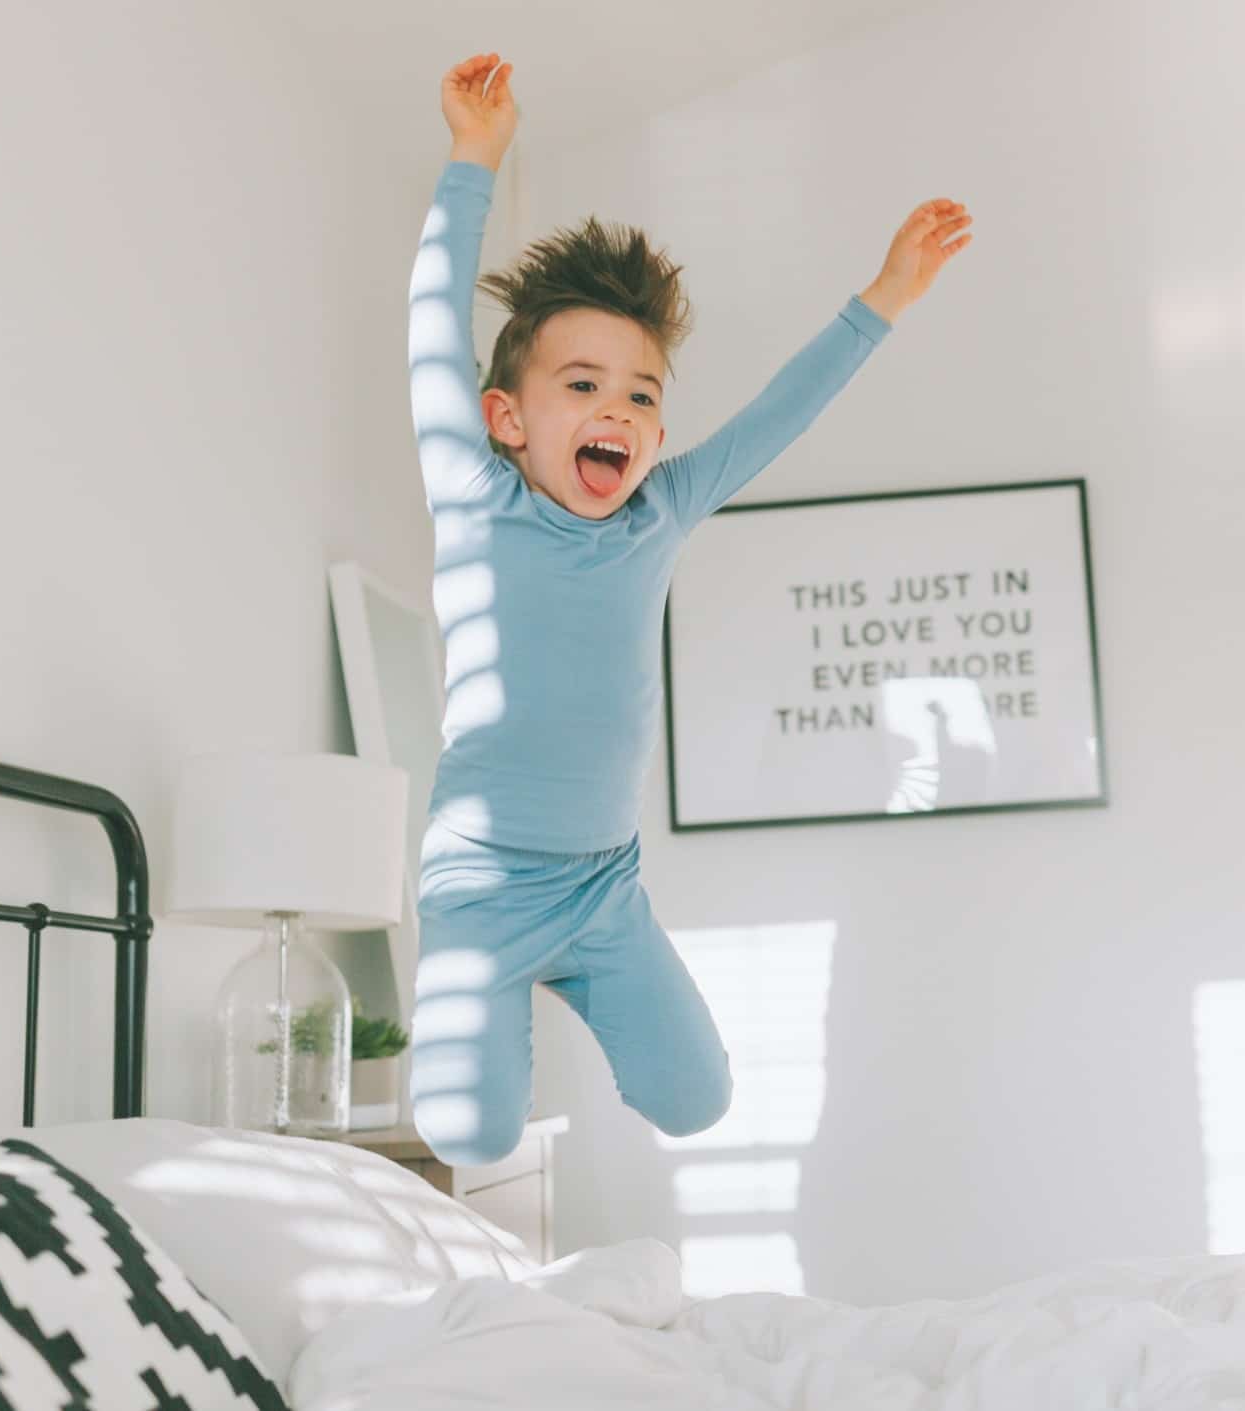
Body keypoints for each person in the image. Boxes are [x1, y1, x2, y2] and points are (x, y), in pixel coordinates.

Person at [405, 51, 972, 1165]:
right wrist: (474, 159)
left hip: (602, 886)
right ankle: (481, 1006)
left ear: (657, 433)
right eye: (580, 385)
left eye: (641, 392)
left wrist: (886, 295)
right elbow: (431, 325)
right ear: (505, 419)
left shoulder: (661, 508)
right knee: (468, 1136)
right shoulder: (471, 493)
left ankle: (568, 982)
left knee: (697, 1101)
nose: (615, 405)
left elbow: (780, 411)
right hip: (478, 884)